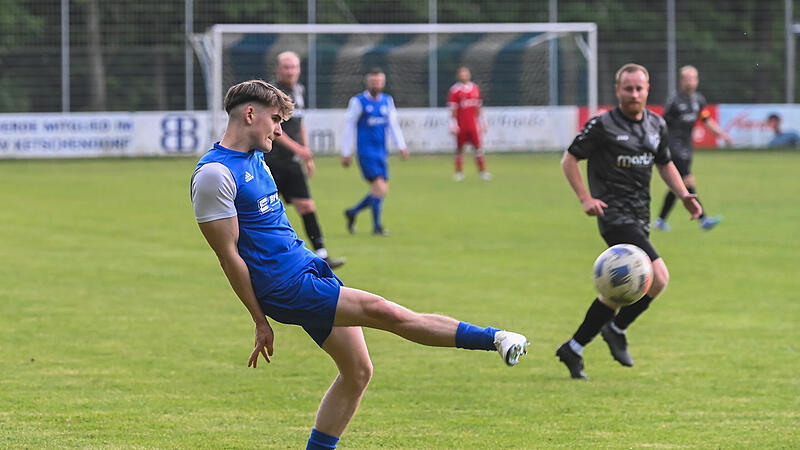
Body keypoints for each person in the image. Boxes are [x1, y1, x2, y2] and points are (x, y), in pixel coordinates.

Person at [190, 80, 529, 449]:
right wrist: (260, 320)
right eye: (275, 120)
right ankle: (495, 338)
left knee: (358, 372)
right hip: (286, 287)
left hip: (307, 269)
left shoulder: (257, 158)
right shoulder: (214, 176)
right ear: (250, 114)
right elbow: (229, 256)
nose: (279, 130)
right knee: (386, 312)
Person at [556, 64, 702, 379]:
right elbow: (569, 160)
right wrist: (585, 198)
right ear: (617, 90)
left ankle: (574, 348)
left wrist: (684, 195)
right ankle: (618, 329)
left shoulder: (655, 124)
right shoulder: (602, 126)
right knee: (657, 277)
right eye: (628, 88)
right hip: (614, 216)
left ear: (648, 89)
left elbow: (665, 163)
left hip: (640, 216)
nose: (634, 94)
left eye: (639, 88)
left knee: (616, 292)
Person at [262, 51, 344, 268]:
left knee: (307, 206)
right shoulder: (271, 93)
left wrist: (305, 153)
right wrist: (299, 149)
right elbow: (273, 129)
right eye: (286, 67)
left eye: (294, 67)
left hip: (291, 162)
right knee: (266, 209)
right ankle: (258, 255)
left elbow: (300, 124)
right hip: (270, 160)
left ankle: (322, 254)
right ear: (278, 69)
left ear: (299, 69)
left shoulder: (299, 90)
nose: (290, 71)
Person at [654, 65, 732, 232]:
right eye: (686, 79)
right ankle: (703, 219)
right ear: (681, 81)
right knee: (687, 181)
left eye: (693, 79)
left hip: (687, 147)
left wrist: (721, 134)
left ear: (697, 81)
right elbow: (662, 124)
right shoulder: (674, 101)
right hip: (673, 147)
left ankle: (661, 220)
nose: (690, 82)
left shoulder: (698, 100)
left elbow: (706, 120)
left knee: (678, 185)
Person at [341, 67, 408, 236]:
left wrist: (401, 145)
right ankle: (377, 227)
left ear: (383, 83)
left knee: (381, 190)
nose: (376, 84)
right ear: (368, 82)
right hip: (366, 151)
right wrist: (346, 151)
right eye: (373, 81)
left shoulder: (387, 101)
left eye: (379, 81)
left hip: (381, 152)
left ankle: (353, 212)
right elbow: (349, 127)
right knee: (379, 187)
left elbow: (393, 125)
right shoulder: (358, 102)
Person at [447, 66, 491, 181]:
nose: (464, 75)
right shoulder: (455, 90)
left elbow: (478, 107)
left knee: (478, 149)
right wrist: (453, 124)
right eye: (462, 73)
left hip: (473, 125)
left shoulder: (475, 88)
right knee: (459, 149)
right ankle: (459, 173)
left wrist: (483, 121)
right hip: (461, 125)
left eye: (466, 73)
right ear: (458, 76)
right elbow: (453, 109)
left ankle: (483, 172)